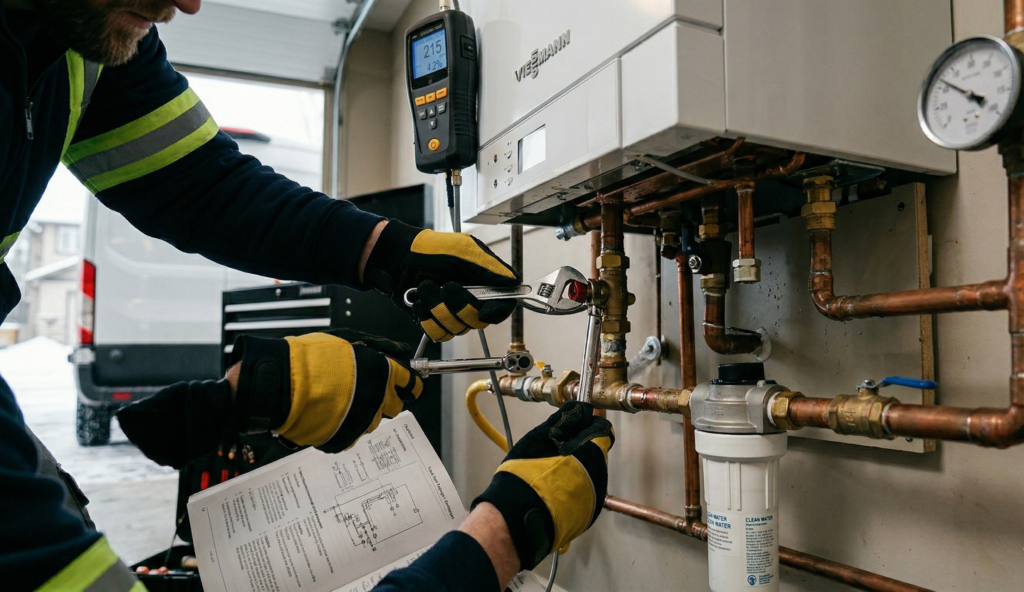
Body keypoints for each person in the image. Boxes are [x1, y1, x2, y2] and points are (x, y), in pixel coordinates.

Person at [0, 0, 603, 590]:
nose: (188, 4)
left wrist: (387, 251)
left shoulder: (82, 41)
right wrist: (502, 537)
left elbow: (201, 185)